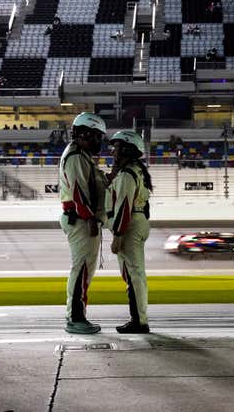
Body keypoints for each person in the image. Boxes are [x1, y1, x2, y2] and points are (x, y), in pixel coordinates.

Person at [58, 112, 109, 334]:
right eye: (97, 136)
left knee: (84, 270)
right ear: (84, 133)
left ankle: (77, 316)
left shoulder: (81, 155)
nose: (100, 142)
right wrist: (89, 219)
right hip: (80, 219)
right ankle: (75, 318)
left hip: (80, 218)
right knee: (81, 270)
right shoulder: (77, 157)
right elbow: (79, 192)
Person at [105, 130, 153, 334]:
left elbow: (123, 207)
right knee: (133, 274)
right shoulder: (136, 171)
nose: (113, 150)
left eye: (116, 147)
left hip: (129, 225)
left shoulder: (127, 174)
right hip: (137, 222)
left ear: (126, 149)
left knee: (134, 275)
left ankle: (139, 321)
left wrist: (117, 236)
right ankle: (138, 319)